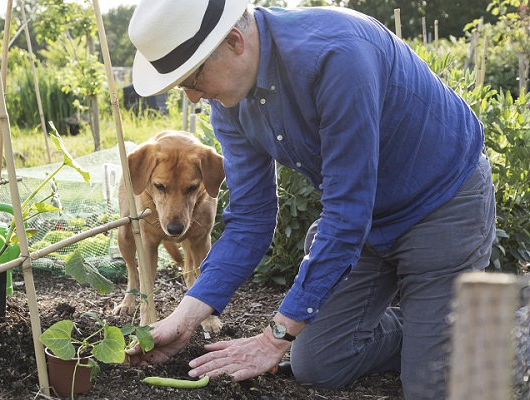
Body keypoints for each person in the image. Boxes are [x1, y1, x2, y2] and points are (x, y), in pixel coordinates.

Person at [125, 1, 496, 399]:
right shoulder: (229, 103)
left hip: (441, 206)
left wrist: (273, 338)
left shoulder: (337, 54)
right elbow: (251, 218)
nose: (195, 98)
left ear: (235, 42)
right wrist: (184, 317)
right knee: (318, 363)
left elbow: (346, 215)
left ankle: (461, 326)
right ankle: (433, 325)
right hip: (368, 221)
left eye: (194, 81)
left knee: (427, 386)